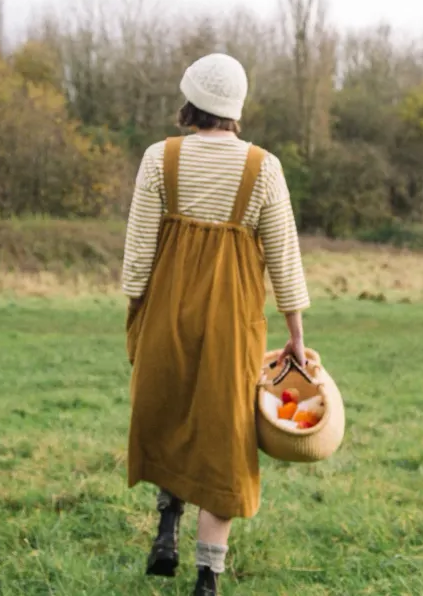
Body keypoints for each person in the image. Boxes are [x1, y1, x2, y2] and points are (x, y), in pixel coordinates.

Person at [121, 52, 310, 596]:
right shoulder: (263, 167)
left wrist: (136, 313)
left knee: (169, 412)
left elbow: (138, 254)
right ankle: (208, 578)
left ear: (189, 101)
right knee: (223, 437)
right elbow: (284, 257)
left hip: (166, 312)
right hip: (234, 323)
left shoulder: (160, 159)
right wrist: (296, 334)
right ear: (236, 109)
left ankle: (166, 527)